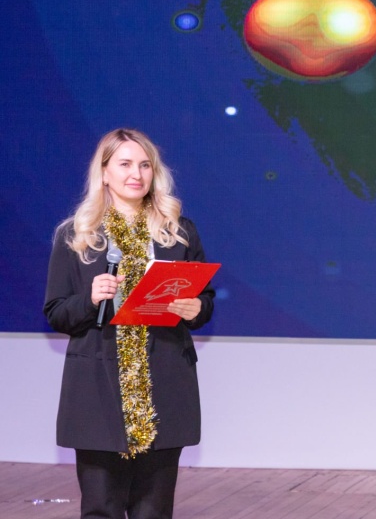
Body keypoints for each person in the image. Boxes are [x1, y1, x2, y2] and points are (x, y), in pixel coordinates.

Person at [44, 128, 215, 519]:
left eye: (144, 165)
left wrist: (195, 308)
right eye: (124, 164)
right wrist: (90, 299)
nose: (136, 174)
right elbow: (56, 312)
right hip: (98, 391)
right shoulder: (76, 235)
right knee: (101, 508)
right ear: (104, 172)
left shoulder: (179, 232)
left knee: (153, 511)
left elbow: (205, 302)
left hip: (164, 385)